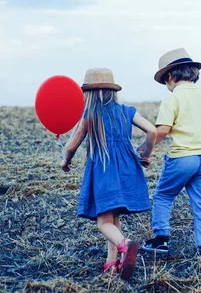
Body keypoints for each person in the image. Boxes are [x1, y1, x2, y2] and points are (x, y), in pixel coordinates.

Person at [141, 48, 201, 258]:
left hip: (183, 157)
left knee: (163, 195)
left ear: (169, 76)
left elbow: (163, 130)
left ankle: (160, 241)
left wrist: (145, 150)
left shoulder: (173, 98)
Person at [62, 68, 157, 279]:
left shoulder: (90, 114)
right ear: (112, 92)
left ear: (89, 94)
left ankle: (125, 245)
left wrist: (65, 161)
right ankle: (111, 263)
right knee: (113, 220)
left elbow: (72, 145)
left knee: (103, 223)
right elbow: (152, 130)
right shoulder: (126, 111)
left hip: (105, 172)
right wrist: (146, 154)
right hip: (127, 171)